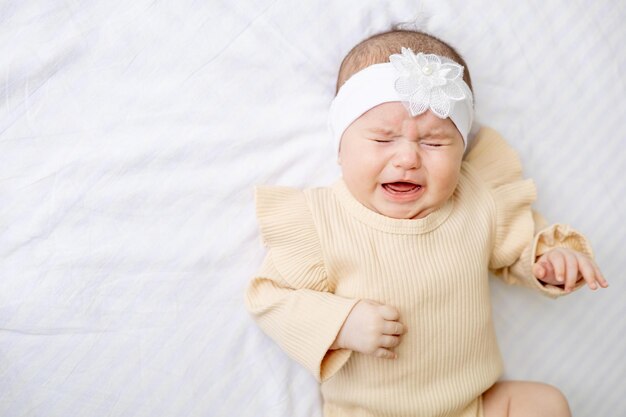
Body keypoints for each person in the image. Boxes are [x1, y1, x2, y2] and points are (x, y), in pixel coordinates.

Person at [245, 29, 608, 417]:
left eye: (434, 143)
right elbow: (270, 298)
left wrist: (550, 259)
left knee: (545, 404)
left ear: (462, 150)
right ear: (341, 147)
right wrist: (341, 324)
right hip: (371, 412)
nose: (407, 159)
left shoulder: (477, 198)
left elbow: (520, 243)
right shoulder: (321, 220)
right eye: (383, 139)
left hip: (472, 404)